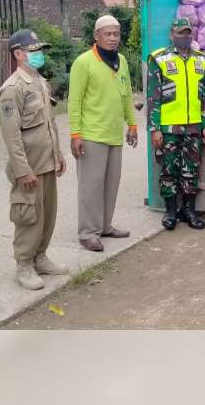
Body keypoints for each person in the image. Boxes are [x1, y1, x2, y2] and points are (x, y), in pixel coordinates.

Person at [0, 29, 68, 290]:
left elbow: (50, 124)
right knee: (28, 215)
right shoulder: (12, 88)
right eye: (33, 51)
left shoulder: (40, 82)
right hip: (29, 166)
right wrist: (22, 170)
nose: (39, 55)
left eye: (40, 50)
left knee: (48, 214)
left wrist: (58, 155)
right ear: (18, 54)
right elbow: (11, 134)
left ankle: (41, 256)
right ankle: (24, 264)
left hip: (47, 161)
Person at [69, 14, 138, 252]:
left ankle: (105, 226)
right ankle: (88, 232)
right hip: (91, 135)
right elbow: (74, 101)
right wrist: (75, 134)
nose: (112, 38)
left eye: (116, 34)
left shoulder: (121, 61)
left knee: (111, 184)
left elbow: (127, 95)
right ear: (96, 36)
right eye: (107, 34)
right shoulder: (83, 62)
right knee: (90, 187)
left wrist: (132, 124)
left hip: (114, 134)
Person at [147, 18, 205, 230]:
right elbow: (153, 97)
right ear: (171, 34)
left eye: (187, 33)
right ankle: (170, 212)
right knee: (169, 169)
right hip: (168, 127)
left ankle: (189, 211)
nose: (184, 37)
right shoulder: (159, 59)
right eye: (179, 33)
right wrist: (155, 128)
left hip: (194, 125)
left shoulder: (201, 59)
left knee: (191, 169)